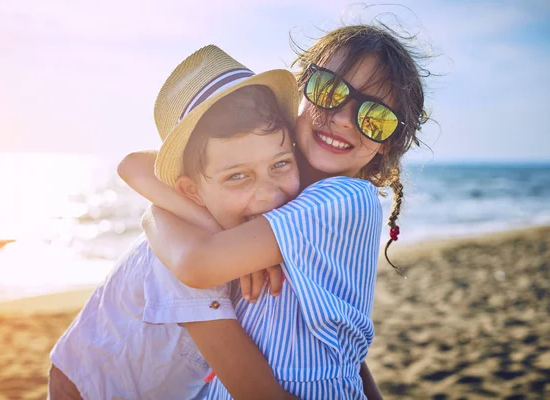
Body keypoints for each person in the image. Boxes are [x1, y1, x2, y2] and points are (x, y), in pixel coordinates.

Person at [136, 24, 428, 399]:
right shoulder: (283, 198)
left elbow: (195, 264)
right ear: (300, 90)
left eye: (375, 116)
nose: (342, 118)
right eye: (329, 89)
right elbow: (340, 339)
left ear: (389, 143)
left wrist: (161, 217)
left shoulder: (345, 199)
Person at [48, 45, 302, 400]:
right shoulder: (184, 262)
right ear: (191, 192)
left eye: (279, 164)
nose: (268, 196)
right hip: (88, 385)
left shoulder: (278, 213)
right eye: (238, 176)